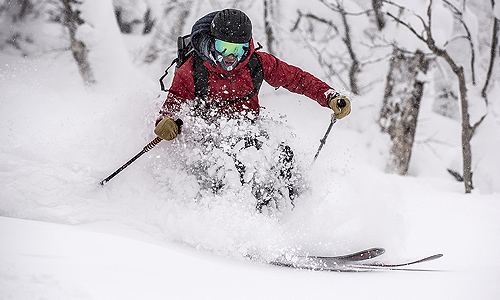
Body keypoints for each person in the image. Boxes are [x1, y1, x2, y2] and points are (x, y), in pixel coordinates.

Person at [154, 9, 351, 211]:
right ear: (212, 42)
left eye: (237, 50)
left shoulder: (256, 63)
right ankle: (237, 221)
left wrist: (329, 96)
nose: (230, 56)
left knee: (282, 156)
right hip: (209, 139)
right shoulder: (193, 70)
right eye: (224, 47)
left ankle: (297, 214)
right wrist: (166, 122)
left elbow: (296, 78)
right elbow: (174, 104)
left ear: (247, 46)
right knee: (238, 168)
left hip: (249, 131)